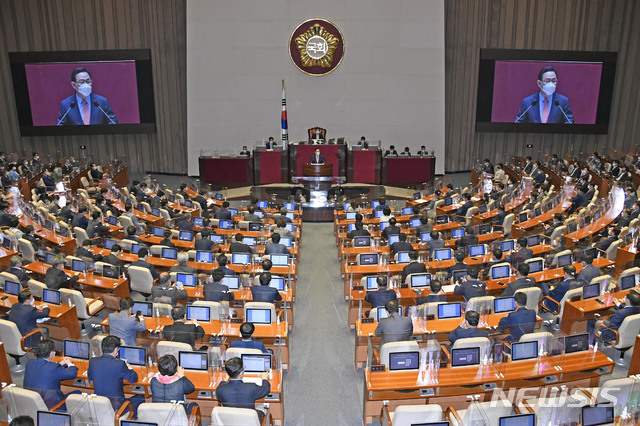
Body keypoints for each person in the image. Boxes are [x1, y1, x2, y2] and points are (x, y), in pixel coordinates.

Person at [88, 335, 144, 417]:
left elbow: (91, 377)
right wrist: (129, 367)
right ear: (116, 349)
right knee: (141, 397)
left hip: (99, 404)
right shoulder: (120, 364)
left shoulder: (93, 361)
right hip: (117, 407)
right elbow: (133, 379)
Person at [23, 339, 79, 409]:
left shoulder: (29, 363)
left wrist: (61, 364)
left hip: (34, 403)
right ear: (52, 353)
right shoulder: (53, 368)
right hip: (53, 406)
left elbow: (46, 368)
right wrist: (69, 363)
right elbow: (72, 374)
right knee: (78, 392)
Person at [216, 357, 270, 422]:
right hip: (249, 421)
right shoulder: (251, 387)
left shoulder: (220, 389)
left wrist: (225, 379)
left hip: (230, 421)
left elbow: (221, 389)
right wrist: (264, 379)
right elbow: (266, 389)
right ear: (241, 372)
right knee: (263, 408)